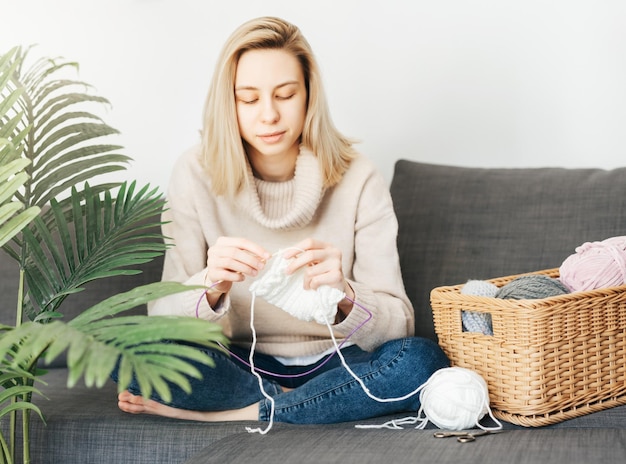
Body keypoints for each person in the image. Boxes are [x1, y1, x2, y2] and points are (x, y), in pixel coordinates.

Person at [117, 16, 449, 425]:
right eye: (249, 99)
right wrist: (210, 287)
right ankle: (310, 403)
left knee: (421, 361)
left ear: (308, 95)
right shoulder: (194, 173)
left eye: (285, 94)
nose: (269, 115)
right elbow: (161, 321)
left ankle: (247, 411)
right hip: (238, 363)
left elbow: (400, 327)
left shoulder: (359, 176)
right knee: (132, 361)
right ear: (229, 103)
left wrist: (346, 294)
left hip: (340, 363)